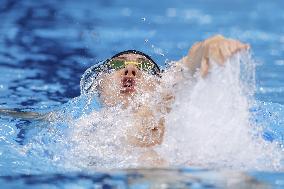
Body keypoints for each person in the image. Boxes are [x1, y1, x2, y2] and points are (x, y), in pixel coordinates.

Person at [0, 35, 249, 165]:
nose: (130, 71)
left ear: (159, 83)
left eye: (143, 66)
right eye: (118, 64)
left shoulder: (164, 103)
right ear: (98, 86)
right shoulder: (72, 120)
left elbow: (187, 65)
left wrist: (212, 45)